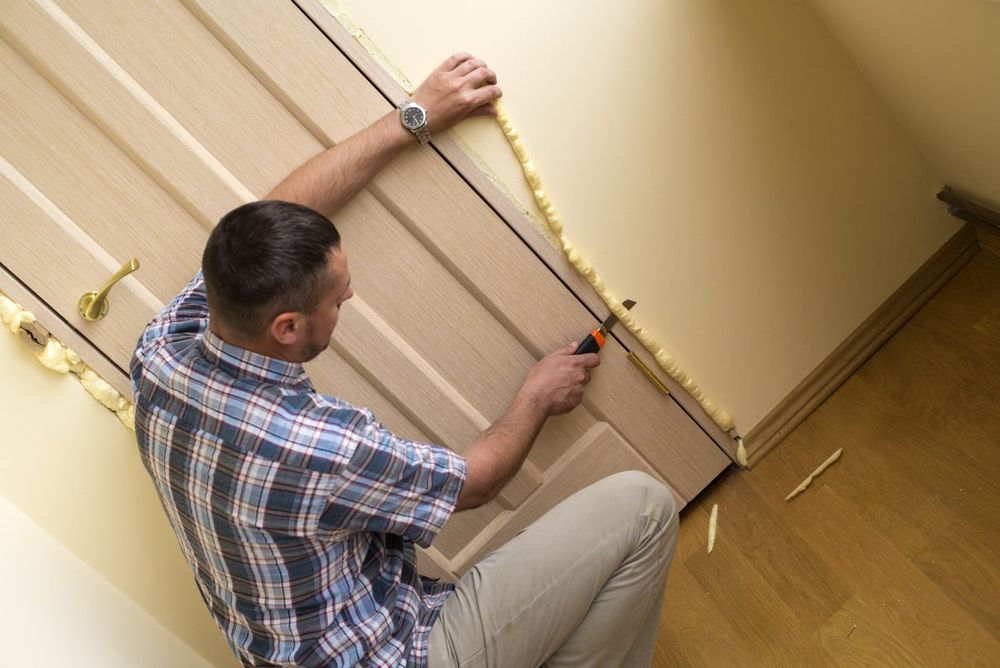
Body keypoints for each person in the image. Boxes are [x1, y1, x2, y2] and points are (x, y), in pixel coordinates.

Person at [132, 53, 678, 668]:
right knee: (645, 507)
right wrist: (536, 397)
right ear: (287, 327)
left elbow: (268, 223)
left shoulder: (164, 351)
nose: (349, 296)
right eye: (337, 296)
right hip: (398, 657)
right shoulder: (319, 447)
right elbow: (474, 484)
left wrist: (409, 119)